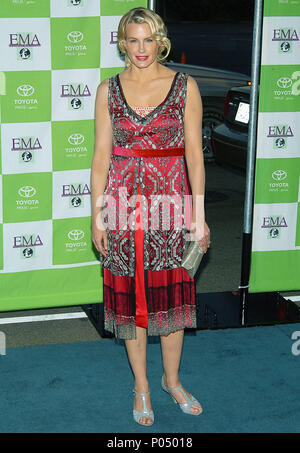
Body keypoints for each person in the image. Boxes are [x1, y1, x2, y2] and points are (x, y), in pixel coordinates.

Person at [91, 7, 210, 427]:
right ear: (123, 42)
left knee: (171, 300)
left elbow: (194, 155)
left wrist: (199, 214)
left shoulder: (184, 86)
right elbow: (101, 157)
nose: (142, 49)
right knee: (131, 303)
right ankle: (142, 385)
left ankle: (171, 380)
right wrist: (97, 216)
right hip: (121, 207)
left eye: (149, 39)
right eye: (133, 40)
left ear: (161, 40)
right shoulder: (108, 89)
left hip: (171, 205)